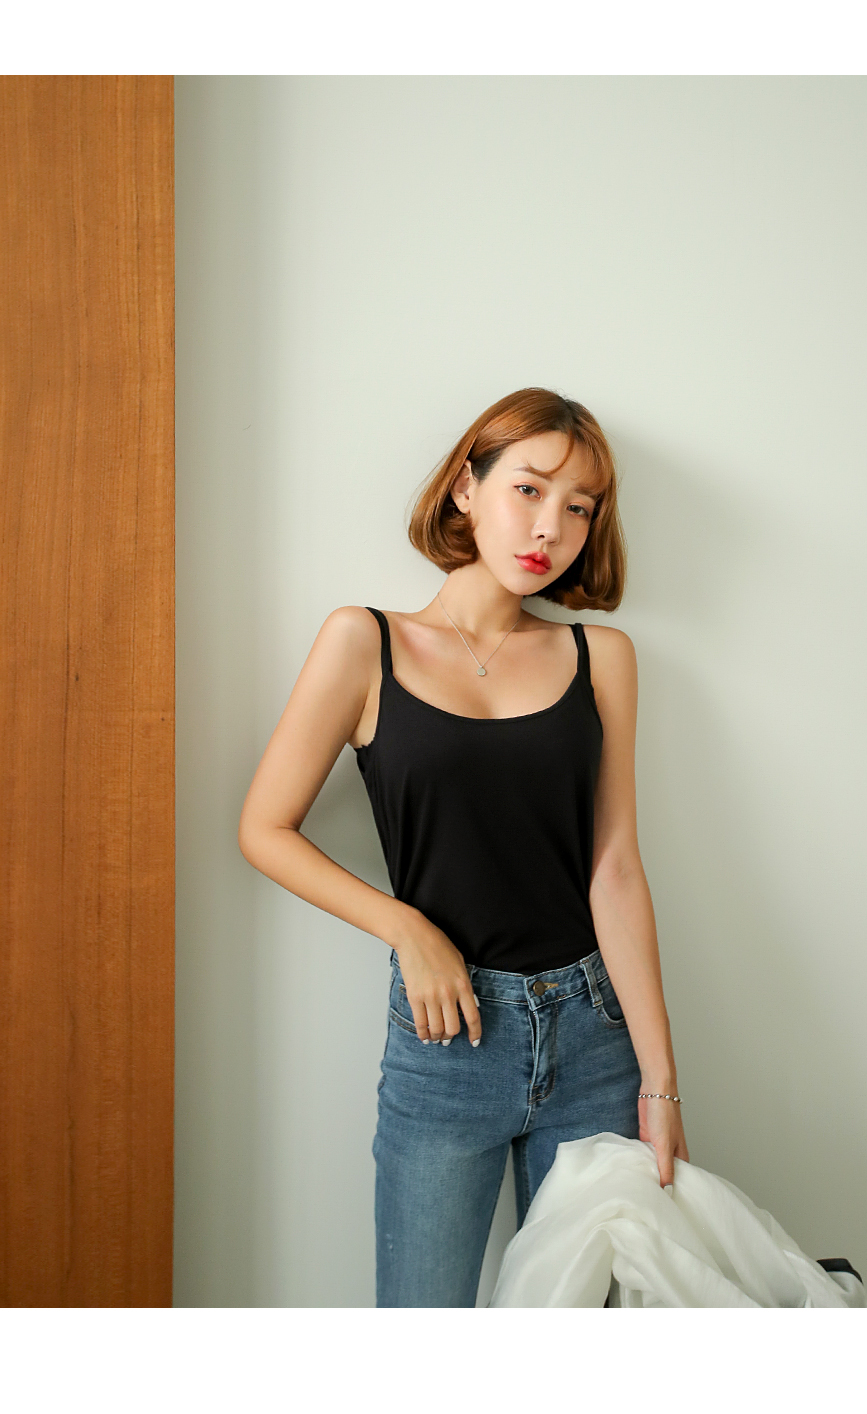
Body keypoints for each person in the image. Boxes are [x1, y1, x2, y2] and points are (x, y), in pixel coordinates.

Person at [238, 386, 690, 1307]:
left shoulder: (601, 658)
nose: (551, 527)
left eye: (579, 507)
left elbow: (614, 870)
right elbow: (263, 828)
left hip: (593, 1035)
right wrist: (407, 928)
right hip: (447, 1040)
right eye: (528, 489)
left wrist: (661, 1082)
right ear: (465, 489)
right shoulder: (365, 642)